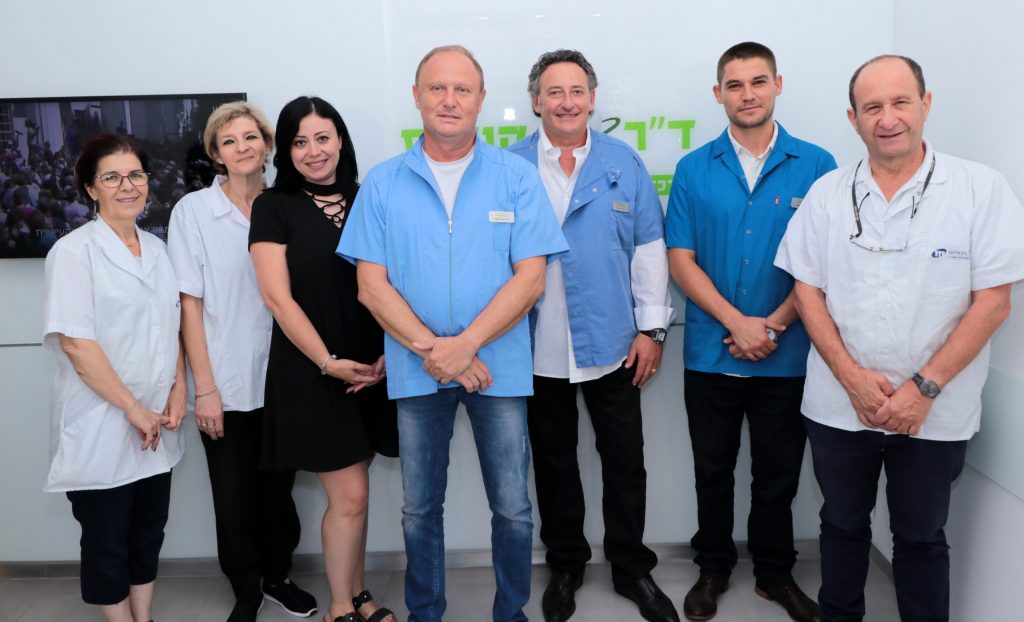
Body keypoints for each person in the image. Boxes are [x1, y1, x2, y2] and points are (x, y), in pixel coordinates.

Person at [775, 54, 1024, 622]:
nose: (887, 119)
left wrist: (923, 389)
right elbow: (807, 290)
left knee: (921, 538)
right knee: (841, 526)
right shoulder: (827, 194)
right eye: (872, 107)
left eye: (900, 102)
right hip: (840, 406)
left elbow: (994, 301)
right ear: (853, 118)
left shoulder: (979, 190)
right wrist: (851, 379)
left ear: (925, 104)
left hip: (936, 410)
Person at [337, 45, 568, 622]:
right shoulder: (384, 182)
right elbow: (371, 286)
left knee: (513, 507)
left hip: (498, 367)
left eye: (462, 89)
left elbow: (531, 278)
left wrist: (465, 346)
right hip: (418, 368)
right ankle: (426, 613)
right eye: (437, 88)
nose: (449, 100)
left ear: (481, 99)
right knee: (419, 508)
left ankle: (510, 613)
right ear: (416, 96)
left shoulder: (516, 177)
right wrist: (438, 351)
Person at [665, 42, 835, 622]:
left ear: (777, 85)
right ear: (719, 94)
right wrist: (737, 323)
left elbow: (823, 263)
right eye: (734, 85)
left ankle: (775, 575)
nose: (747, 94)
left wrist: (775, 324)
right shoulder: (693, 168)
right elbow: (681, 259)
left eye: (758, 81)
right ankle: (712, 568)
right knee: (712, 471)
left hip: (788, 354)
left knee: (777, 475)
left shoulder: (818, 165)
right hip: (711, 352)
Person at [506, 49, 678, 622]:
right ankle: (566, 567)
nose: (566, 102)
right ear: (536, 102)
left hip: (614, 345)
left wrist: (653, 330)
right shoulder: (509, 167)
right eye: (554, 92)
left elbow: (649, 249)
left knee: (625, 462)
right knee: (554, 464)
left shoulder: (622, 163)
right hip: (534, 348)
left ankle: (632, 569)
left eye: (576, 91)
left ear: (592, 98)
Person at [249, 96, 398, 622]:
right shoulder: (273, 206)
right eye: (299, 141)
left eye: (322, 138)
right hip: (312, 369)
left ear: (340, 140)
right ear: (286, 151)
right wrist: (327, 362)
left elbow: (395, 281)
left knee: (356, 496)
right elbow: (277, 299)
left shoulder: (368, 196)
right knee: (350, 495)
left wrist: (388, 352)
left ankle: (357, 594)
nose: (313, 151)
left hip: (372, 369)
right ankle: (339, 606)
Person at [167, 101, 316, 622]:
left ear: (268, 144)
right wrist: (204, 388)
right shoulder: (193, 213)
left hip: (286, 378)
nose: (242, 148)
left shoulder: (289, 204)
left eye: (251, 137)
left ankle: (278, 576)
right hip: (225, 383)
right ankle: (246, 588)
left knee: (279, 493)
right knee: (233, 497)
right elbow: (189, 304)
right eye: (228, 141)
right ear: (215, 154)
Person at [42, 132, 187, 622]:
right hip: (103, 423)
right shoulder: (73, 252)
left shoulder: (158, 249)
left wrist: (179, 389)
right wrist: (132, 408)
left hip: (156, 425)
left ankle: (143, 618)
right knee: (107, 541)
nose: (128, 186)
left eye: (135, 175)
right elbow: (77, 345)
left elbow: (172, 328)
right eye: (112, 177)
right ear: (91, 188)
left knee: (148, 533)